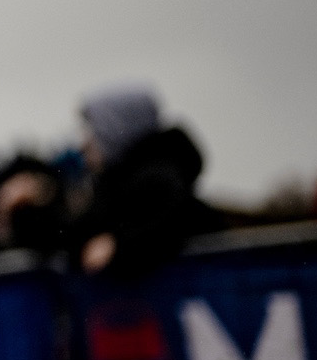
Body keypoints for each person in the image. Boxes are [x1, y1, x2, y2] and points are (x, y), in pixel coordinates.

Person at [69, 84, 222, 276]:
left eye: (96, 131)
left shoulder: (158, 182)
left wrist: (119, 246)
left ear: (117, 129)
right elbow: (73, 238)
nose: (84, 144)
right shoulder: (110, 185)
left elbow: (171, 228)